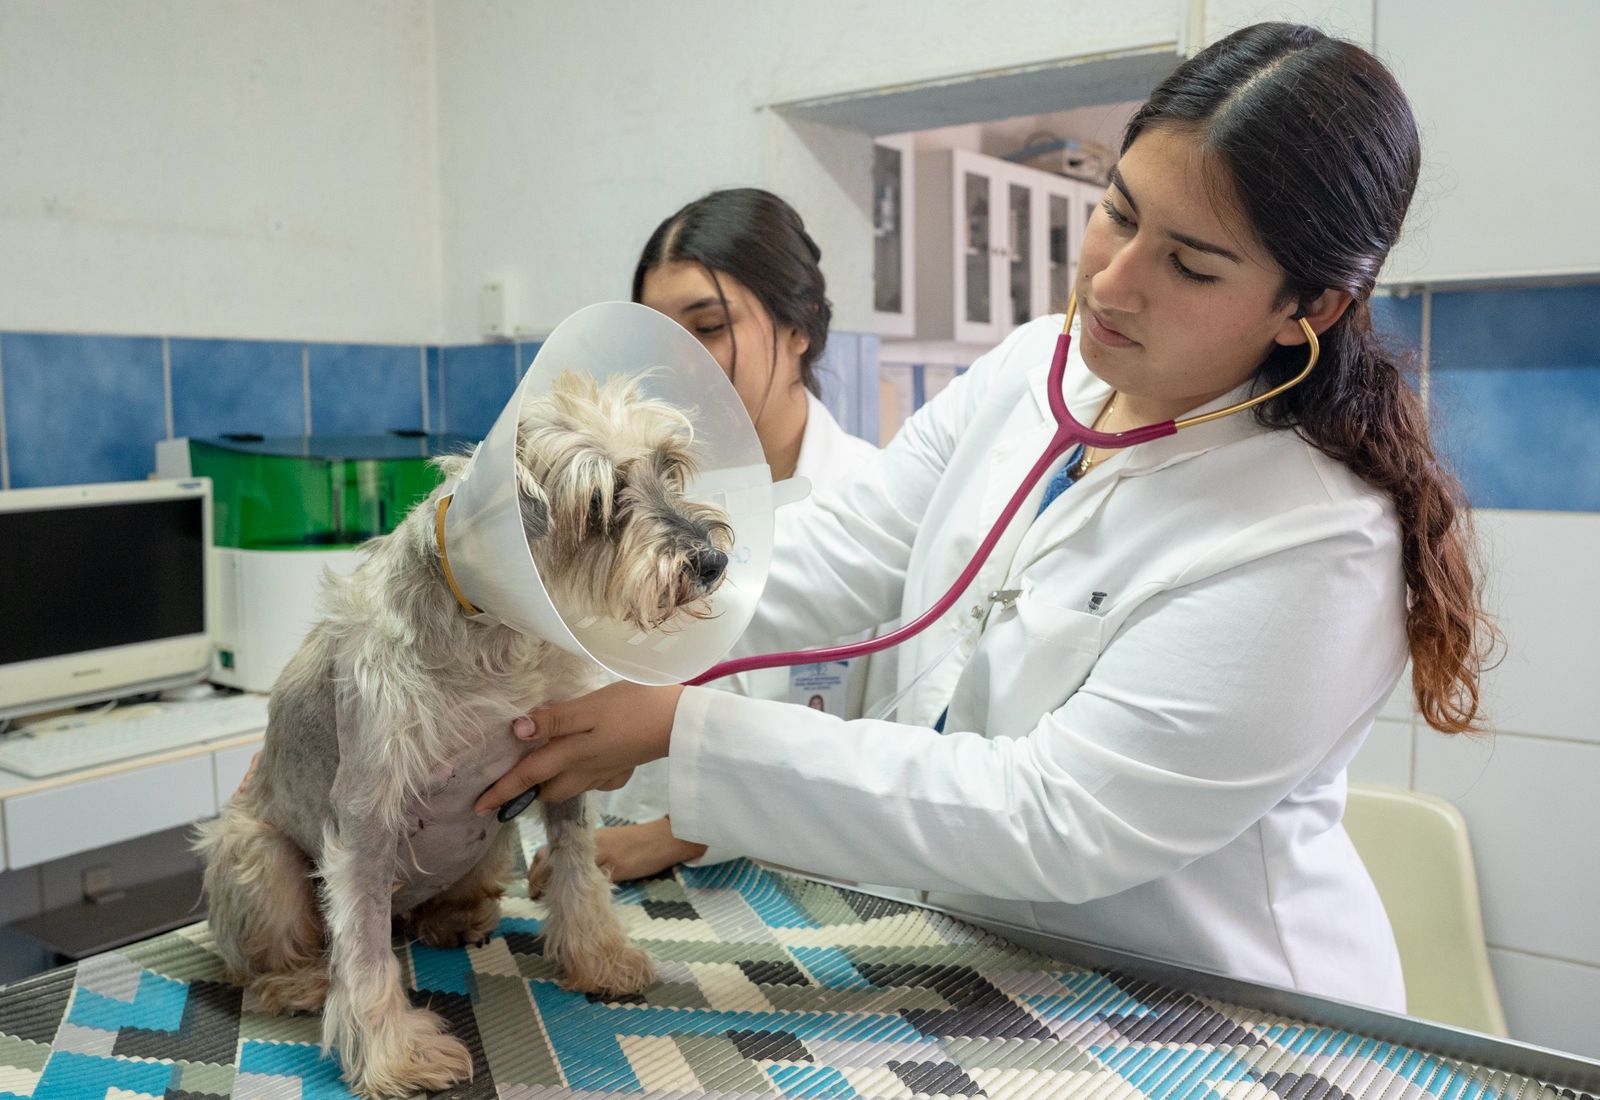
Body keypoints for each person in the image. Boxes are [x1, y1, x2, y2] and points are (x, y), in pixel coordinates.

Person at [477, 24, 1499, 1010]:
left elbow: (1054, 816)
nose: (1112, 278)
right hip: (1001, 972)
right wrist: (563, 634)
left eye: (1189, 263)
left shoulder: (1316, 539)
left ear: (1306, 309)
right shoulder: (1028, 373)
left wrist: (682, 725)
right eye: (1118, 209)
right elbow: (831, 561)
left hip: (1229, 1010)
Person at [527, 188, 886, 887]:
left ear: (799, 326)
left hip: (799, 884)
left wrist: (686, 834)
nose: (677, 362)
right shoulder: (624, 498)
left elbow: (881, 746)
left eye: (709, 326)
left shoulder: (871, 503)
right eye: (656, 335)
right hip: (597, 860)